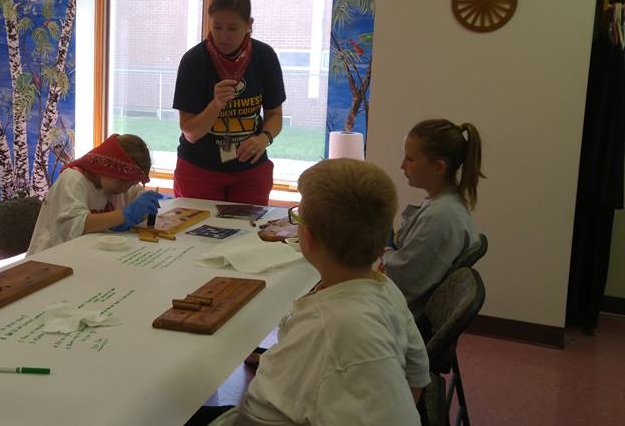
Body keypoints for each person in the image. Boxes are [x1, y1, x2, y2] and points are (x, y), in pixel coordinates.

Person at [190, 159, 429, 426]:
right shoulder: (386, 289)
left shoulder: (338, 326)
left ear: (309, 237)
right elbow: (417, 373)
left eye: (297, 217)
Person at [172, 0, 285, 206]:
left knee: (250, 227)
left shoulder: (264, 57)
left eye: (232, 28)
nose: (224, 36)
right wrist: (216, 104)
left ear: (249, 24)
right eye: (217, 27)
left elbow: (275, 115)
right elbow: (190, 133)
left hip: (250, 168)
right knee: (199, 227)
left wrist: (263, 138)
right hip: (199, 167)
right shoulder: (194, 61)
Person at [382, 118, 485, 317]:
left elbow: (400, 278)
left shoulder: (441, 217)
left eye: (410, 159)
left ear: (438, 167)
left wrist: (383, 248)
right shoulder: (444, 204)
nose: (402, 166)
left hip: (401, 314)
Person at [27, 134, 162, 255]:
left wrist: (146, 203)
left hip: (84, 256)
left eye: (132, 184)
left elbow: (138, 195)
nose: (126, 188)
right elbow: (75, 226)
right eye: (124, 181)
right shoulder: (72, 180)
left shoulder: (118, 187)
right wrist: (124, 215)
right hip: (49, 259)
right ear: (108, 168)